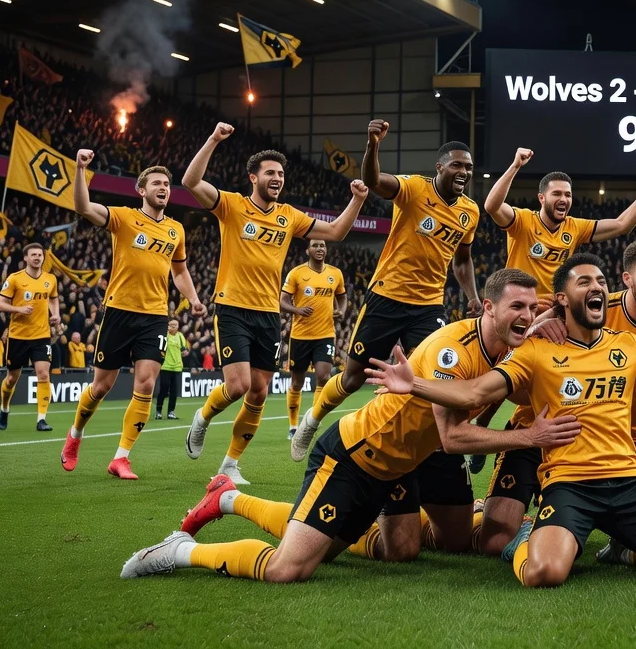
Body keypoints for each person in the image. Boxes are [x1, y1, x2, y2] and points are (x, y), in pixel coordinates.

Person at [363, 253, 636, 588]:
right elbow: (476, 392)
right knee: (544, 573)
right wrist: (415, 384)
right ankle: (527, 539)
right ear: (562, 298)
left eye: (601, 280)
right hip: (569, 485)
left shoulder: (630, 347)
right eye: (584, 281)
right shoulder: (537, 351)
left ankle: (624, 545)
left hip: (628, 481)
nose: (597, 287)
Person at [119, 269, 577, 582]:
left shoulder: (509, 348)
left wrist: (548, 325)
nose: (526, 315)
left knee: (412, 549)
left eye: (531, 307)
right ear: (488, 307)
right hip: (356, 458)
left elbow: (507, 385)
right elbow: (453, 437)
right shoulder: (450, 350)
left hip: (403, 463)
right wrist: (529, 438)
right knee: (290, 569)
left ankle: (240, 499)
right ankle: (183, 545)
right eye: (517, 306)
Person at [182, 122, 369, 485]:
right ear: (253, 177)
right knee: (236, 386)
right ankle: (202, 419)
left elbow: (335, 232)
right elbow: (191, 182)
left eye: (281, 173)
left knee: (259, 390)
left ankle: (230, 465)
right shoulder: (232, 206)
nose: (277, 178)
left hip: (268, 314)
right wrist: (214, 139)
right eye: (270, 172)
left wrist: (358, 200)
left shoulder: (289, 215)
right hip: (233, 306)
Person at [292, 122, 480, 468]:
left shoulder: (470, 212)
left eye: (468, 167)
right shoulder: (413, 188)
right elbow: (376, 181)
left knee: (438, 376)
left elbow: (463, 261)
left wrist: (472, 295)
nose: (464, 172)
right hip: (387, 297)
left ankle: (454, 445)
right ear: (440, 167)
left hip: (429, 306)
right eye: (457, 165)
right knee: (352, 378)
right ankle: (313, 418)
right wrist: (372, 145)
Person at [522, 238, 636, 559]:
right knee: (504, 531)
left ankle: (622, 549)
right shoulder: (595, 306)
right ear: (626, 279)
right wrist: (545, 324)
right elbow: (533, 329)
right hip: (580, 439)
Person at [62, 156, 207, 480]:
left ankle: (121, 457)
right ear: (141, 189)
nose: (164, 188)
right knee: (102, 386)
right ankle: (75, 435)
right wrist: (80, 170)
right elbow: (85, 207)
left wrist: (193, 298)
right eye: (156, 183)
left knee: (146, 383)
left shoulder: (175, 229)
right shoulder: (124, 219)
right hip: (119, 311)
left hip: (155, 315)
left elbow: (179, 270)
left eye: (167, 185)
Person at [484, 147, 636, 307]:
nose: (563, 199)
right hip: (521, 307)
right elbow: (492, 206)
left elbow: (622, 225)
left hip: (554, 312)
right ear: (541, 198)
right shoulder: (523, 221)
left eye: (568, 195)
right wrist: (515, 166)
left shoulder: (574, 227)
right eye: (556, 194)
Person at [280, 240, 346, 440]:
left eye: (323, 246)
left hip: (325, 334)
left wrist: (341, 311)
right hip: (300, 336)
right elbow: (282, 301)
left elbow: (342, 297)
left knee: (324, 377)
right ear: (307, 250)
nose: (320, 249)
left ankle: (312, 423)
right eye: (315, 245)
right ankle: (293, 427)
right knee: (297, 383)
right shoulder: (296, 273)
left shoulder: (335, 274)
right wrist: (297, 310)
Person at [0, 243, 60, 431]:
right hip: (18, 336)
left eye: (40, 255)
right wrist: (19, 309)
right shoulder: (15, 279)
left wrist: (55, 314)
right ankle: (4, 408)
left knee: (43, 374)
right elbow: (0, 304)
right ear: (26, 258)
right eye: (33, 255)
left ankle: (41, 419)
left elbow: (54, 298)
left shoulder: (50, 279)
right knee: (12, 378)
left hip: (41, 335)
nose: (37, 258)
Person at [155, 319, 184, 420]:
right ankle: (158, 411)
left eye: (176, 325)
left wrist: (183, 352)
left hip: (177, 367)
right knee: (164, 389)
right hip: (165, 366)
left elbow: (184, 349)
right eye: (172, 325)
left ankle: (171, 412)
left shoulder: (180, 336)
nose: (175, 327)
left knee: (174, 391)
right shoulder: (165, 335)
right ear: (168, 326)